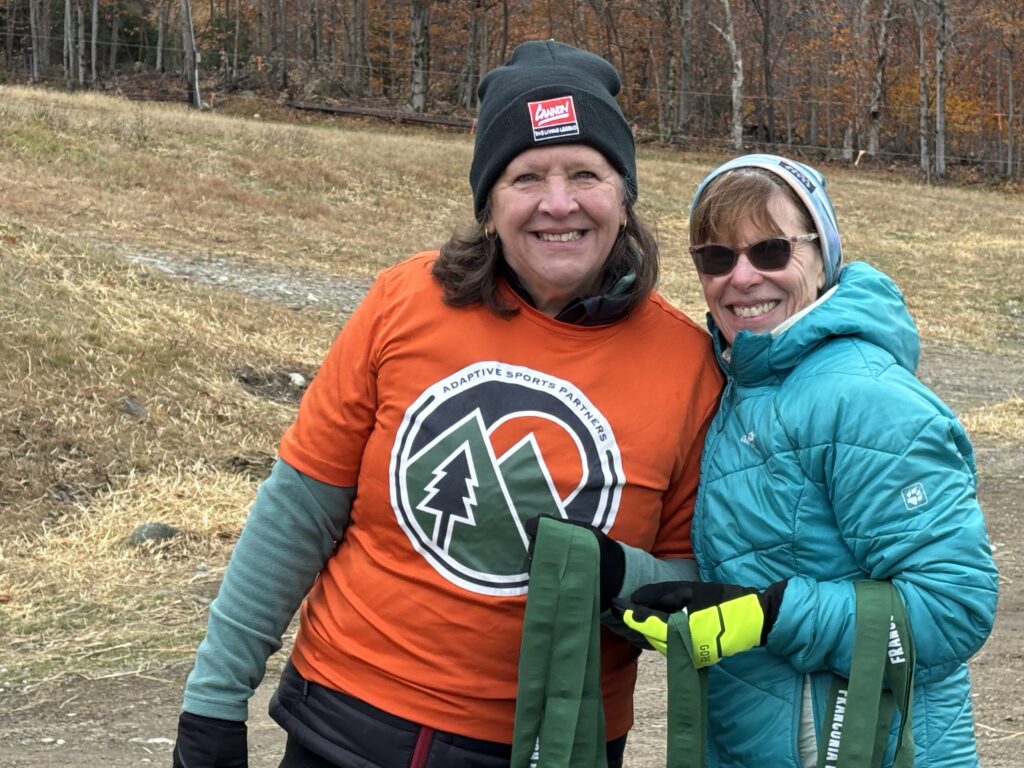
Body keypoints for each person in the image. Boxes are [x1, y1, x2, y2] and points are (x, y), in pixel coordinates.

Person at [171, 41, 724, 768]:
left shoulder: (689, 365)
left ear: (623, 200)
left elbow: (686, 595)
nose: (558, 203)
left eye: (586, 173)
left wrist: (617, 576)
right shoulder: (404, 301)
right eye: (526, 177)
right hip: (344, 724)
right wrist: (212, 703)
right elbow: (297, 512)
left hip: (556, 745)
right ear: (489, 207)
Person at [616, 154, 999, 767]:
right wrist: (622, 577)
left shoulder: (868, 399)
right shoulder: (736, 387)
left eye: (770, 251)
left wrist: (773, 616)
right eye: (716, 257)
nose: (741, 277)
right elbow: (745, 572)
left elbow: (952, 608)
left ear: (823, 256)